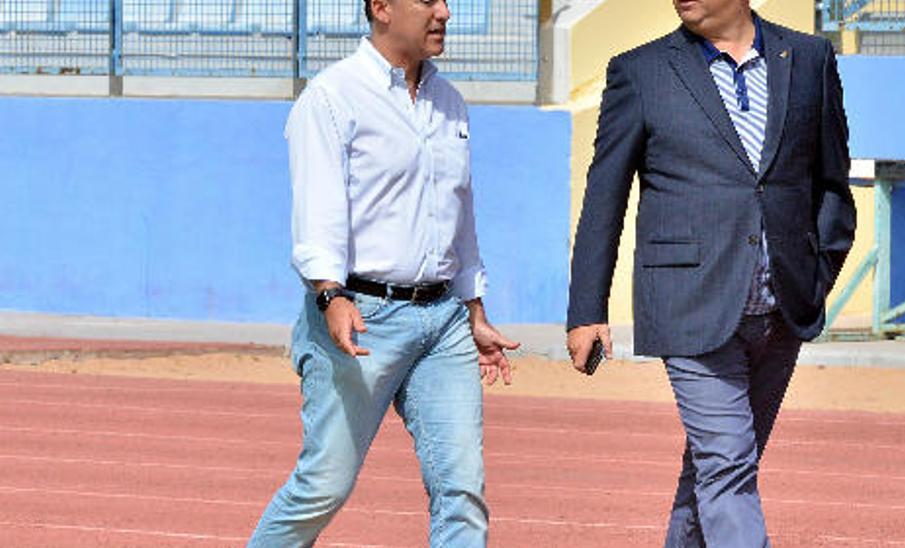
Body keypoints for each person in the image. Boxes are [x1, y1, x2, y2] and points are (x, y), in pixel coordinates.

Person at [565, 0, 856, 545]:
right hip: (689, 302)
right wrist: (587, 309)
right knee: (728, 466)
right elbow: (605, 194)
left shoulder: (810, 57)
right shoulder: (641, 71)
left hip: (783, 306)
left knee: (715, 470)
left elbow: (831, 181)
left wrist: (816, 277)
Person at [248, 0, 518, 545]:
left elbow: (459, 215)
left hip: (444, 322)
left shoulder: (450, 102)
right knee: (322, 486)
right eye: (427, 0)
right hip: (363, 317)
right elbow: (317, 209)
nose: (443, 11)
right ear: (382, 8)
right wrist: (330, 296)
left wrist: (475, 309)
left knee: (461, 488)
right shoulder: (332, 97)